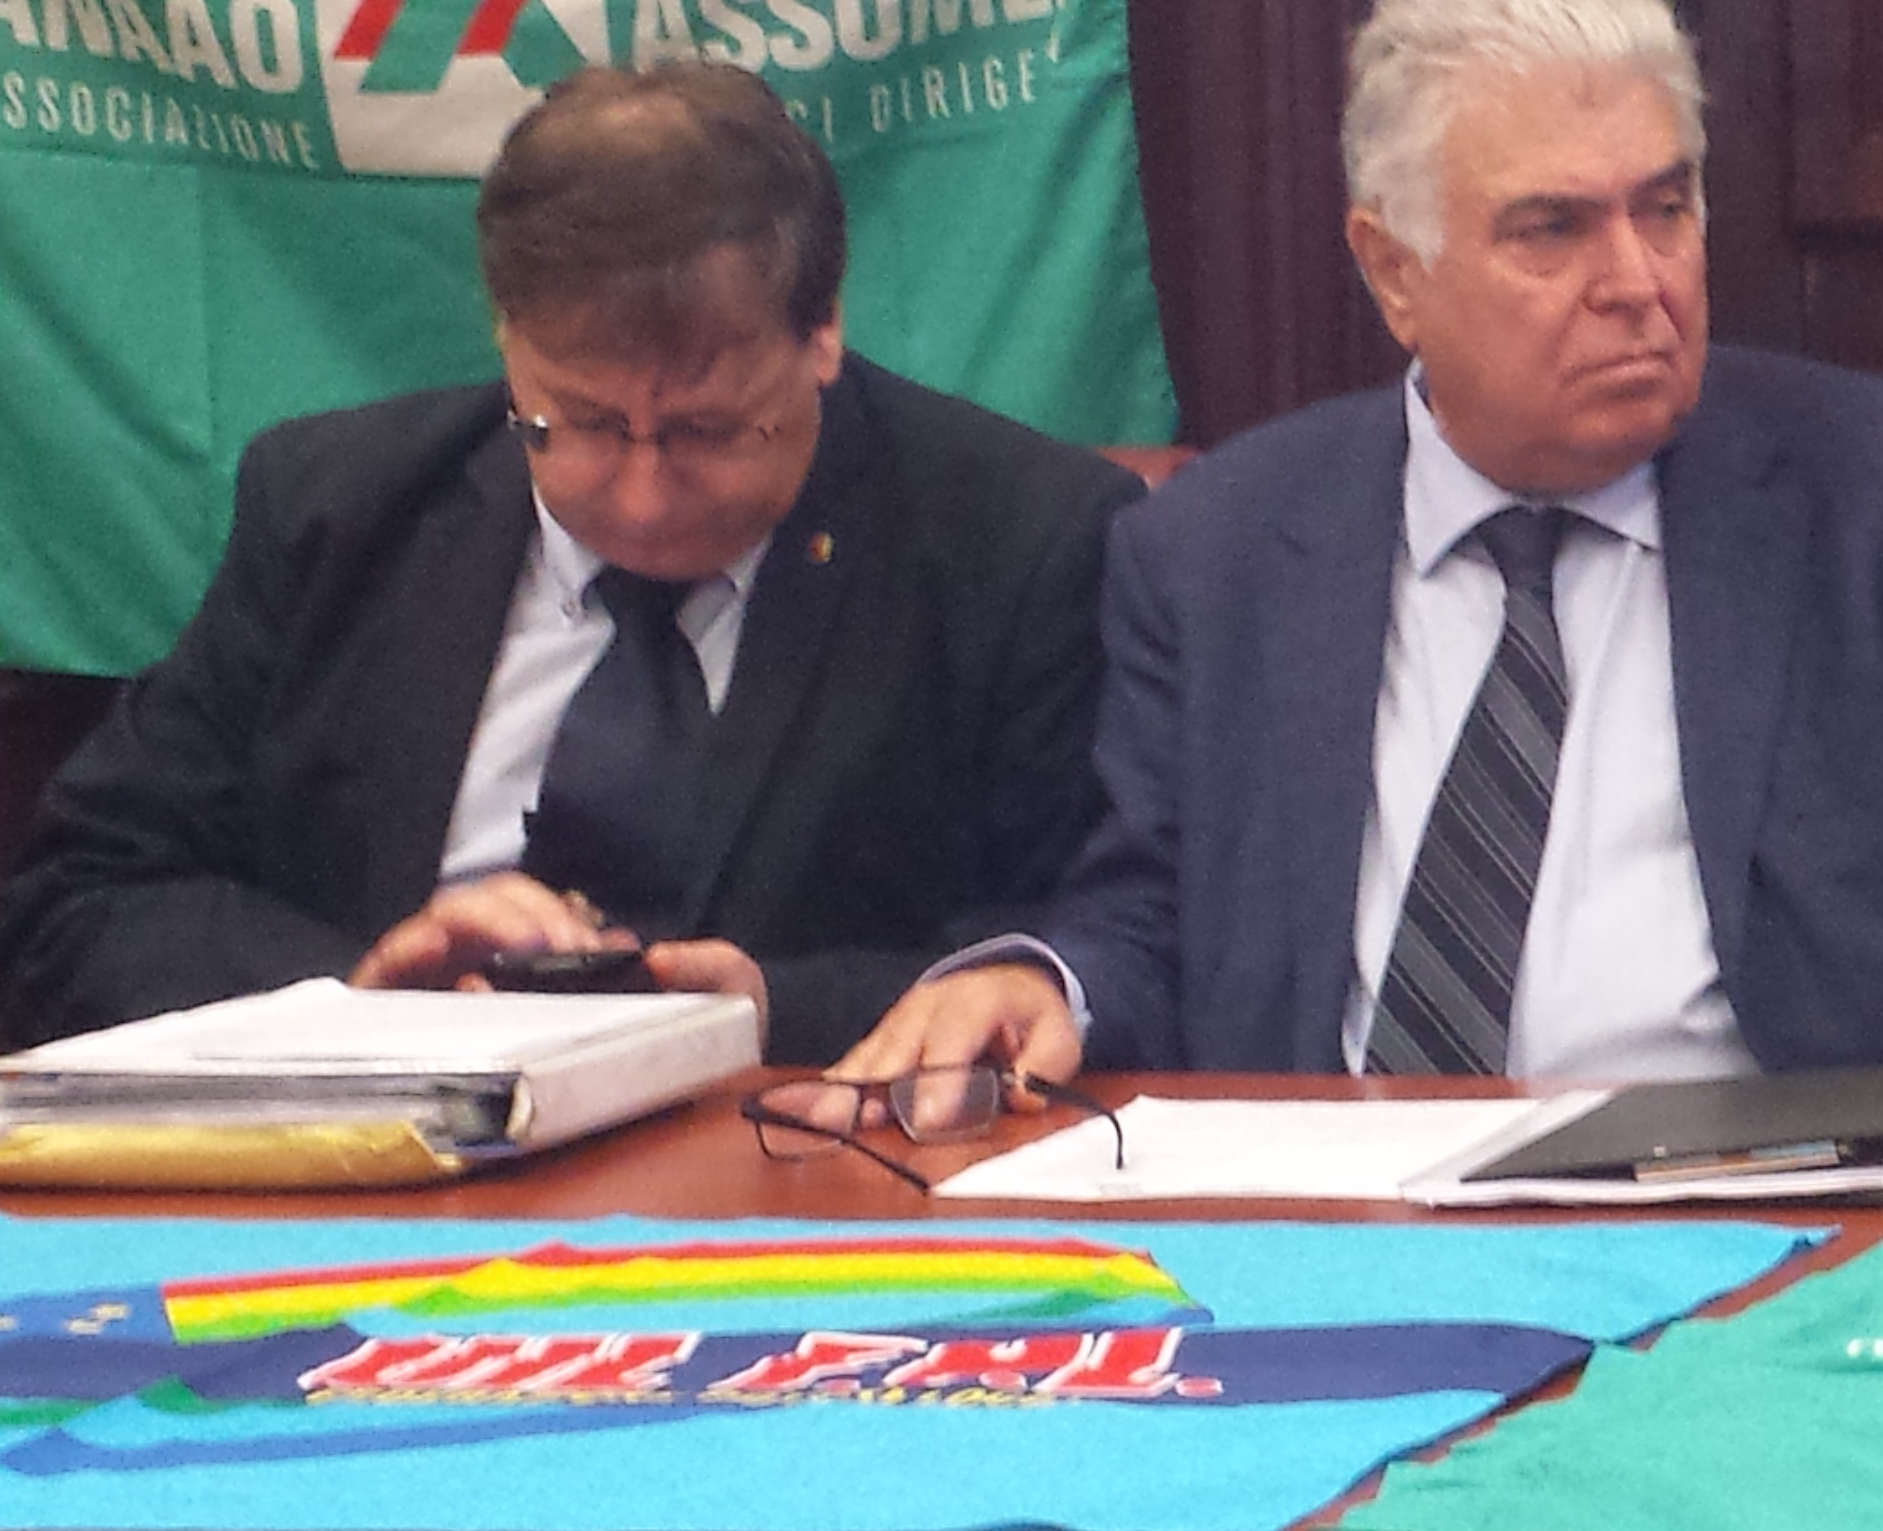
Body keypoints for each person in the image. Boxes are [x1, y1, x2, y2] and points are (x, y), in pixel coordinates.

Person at [838, 0, 1883, 1105]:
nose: (1638, 280)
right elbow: (1148, 906)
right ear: (1393, 270)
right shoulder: (1219, 545)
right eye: (1552, 228)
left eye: (1667, 206)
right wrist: (1046, 979)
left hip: (1796, 1219)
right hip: (1338, 1230)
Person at [0, 62, 1141, 1065]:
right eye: (581, 424)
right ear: (507, 338)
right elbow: (78, 901)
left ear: (823, 330)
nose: (641, 496)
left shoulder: (1011, 539)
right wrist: (361, 995)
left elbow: (1091, 941)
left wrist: (768, 1009)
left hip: (790, 1161)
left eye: (705, 431)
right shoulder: (337, 510)